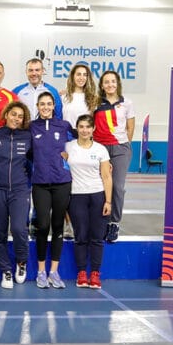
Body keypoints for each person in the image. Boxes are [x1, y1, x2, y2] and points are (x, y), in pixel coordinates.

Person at [31, 92, 74, 289]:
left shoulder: (64, 126)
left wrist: (69, 156)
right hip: (40, 183)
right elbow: (28, 152)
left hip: (62, 182)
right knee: (42, 224)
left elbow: (80, 141)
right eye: (42, 104)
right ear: (37, 106)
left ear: (54, 106)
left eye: (49, 104)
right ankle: (41, 271)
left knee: (58, 225)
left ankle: (54, 272)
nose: (46, 107)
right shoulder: (31, 127)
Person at [0, 101, 32, 289]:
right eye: (13, 114)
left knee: (19, 229)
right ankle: (6, 269)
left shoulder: (27, 137)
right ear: (6, 114)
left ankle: (21, 263)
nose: (16, 118)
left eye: (20, 116)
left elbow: (34, 161)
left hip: (20, 190)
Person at [66, 115, 112, 289]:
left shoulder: (101, 149)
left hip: (97, 195)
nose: (84, 130)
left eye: (88, 127)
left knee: (97, 237)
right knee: (81, 236)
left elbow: (106, 176)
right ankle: (81, 273)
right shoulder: (68, 147)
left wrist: (108, 201)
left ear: (93, 129)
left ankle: (95, 273)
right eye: (81, 126)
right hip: (77, 196)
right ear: (77, 128)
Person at [93, 70, 135, 243]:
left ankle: (114, 222)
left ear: (117, 83)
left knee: (117, 187)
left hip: (120, 149)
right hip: (99, 148)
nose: (110, 85)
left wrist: (124, 146)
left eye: (113, 81)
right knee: (99, 187)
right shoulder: (95, 103)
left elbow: (130, 128)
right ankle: (100, 222)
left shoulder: (127, 103)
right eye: (106, 82)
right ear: (102, 85)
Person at [60, 63, 98, 239]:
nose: (81, 77)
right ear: (72, 77)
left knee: (83, 185)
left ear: (88, 78)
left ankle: (85, 224)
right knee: (68, 185)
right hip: (68, 142)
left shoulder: (93, 99)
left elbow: (95, 125)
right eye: (78, 74)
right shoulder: (64, 97)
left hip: (86, 143)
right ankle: (68, 225)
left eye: (85, 74)